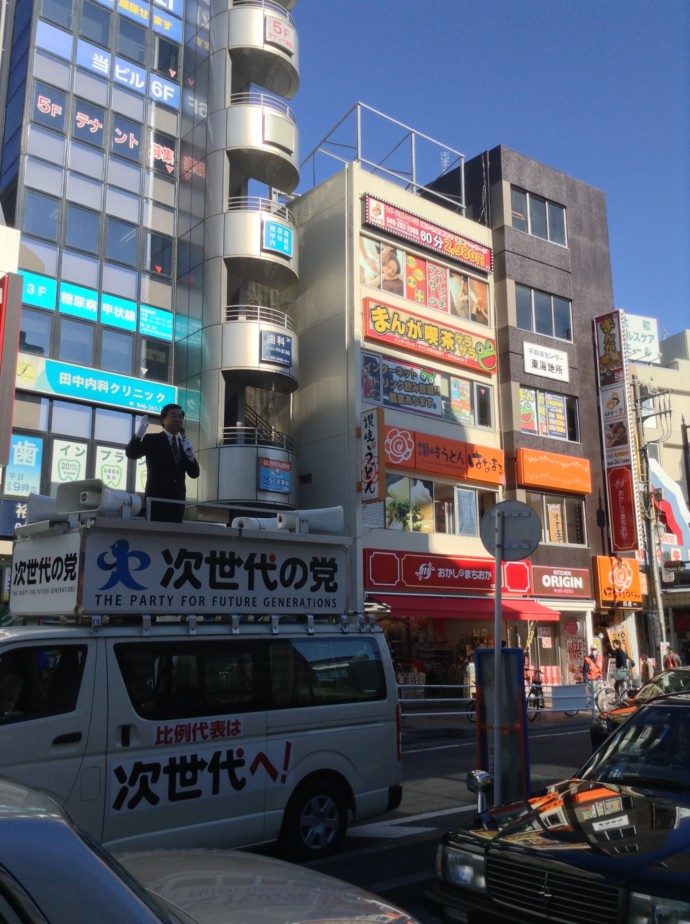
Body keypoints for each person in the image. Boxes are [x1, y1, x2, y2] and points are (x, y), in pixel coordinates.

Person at [125, 403, 199, 523]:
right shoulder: (152, 439)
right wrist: (138, 437)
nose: (178, 419)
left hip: (177, 504)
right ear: (163, 420)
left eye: (180, 417)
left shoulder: (183, 444)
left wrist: (191, 456)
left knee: (174, 539)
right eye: (173, 416)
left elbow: (194, 473)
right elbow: (132, 454)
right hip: (156, 501)